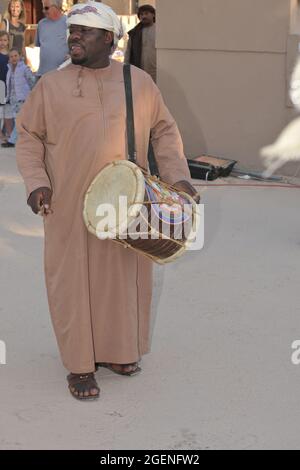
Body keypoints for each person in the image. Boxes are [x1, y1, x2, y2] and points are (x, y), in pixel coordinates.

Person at [16, 1, 198, 401]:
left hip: (124, 202)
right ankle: (80, 365)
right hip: (66, 203)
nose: (74, 36)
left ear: (109, 39)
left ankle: (118, 352)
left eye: (84, 31)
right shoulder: (51, 85)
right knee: (72, 283)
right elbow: (28, 135)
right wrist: (36, 183)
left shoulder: (138, 83)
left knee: (121, 279)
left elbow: (164, 132)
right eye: (72, 30)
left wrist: (179, 178)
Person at [1, 48, 35, 148]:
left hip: (23, 99)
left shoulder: (24, 68)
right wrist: (7, 97)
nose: (13, 58)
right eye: (11, 56)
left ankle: (13, 140)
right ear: (9, 59)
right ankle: (17, 140)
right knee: (19, 120)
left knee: (19, 120)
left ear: (19, 56)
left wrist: (32, 95)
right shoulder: (9, 70)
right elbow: (9, 84)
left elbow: (32, 81)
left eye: (15, 56)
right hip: (13, 99)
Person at [35, 0, 69, 77]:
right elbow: (38, 47)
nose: (43, 11)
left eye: (46, 8)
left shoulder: (68, 23)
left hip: (62, 75)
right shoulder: (41, 24)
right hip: (43, 74)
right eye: (43, 8)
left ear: (56, 7)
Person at [125, 4, 156, 83]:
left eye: (146, 13)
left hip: (156, 70)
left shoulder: (159, 30)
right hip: (139, 69)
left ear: (153, 14)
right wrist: (125, 66)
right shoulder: (134, 32)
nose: (143, 16)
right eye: (141, 14)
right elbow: (128, 50)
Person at [0, 31, 14, 143]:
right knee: (0, 111)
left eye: (5, 40)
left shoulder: (11, 54)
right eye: (0, 40)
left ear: (8, 41)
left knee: (8, 112)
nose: (2, 42)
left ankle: (10, 133)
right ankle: (1, 135)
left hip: (9, 87)